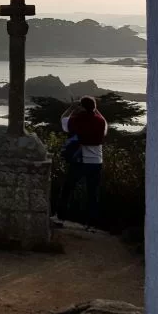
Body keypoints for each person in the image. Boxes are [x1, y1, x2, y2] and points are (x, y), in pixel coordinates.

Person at [54, 95, 108, 230]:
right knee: (92, 193)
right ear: (93, 107)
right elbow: (105, 124)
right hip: (96, 161)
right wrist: (96, 110)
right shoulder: (100, 122)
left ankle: (60, 218)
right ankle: (91, 224)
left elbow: (63, 119)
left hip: (79, 160)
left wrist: (72, 107)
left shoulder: (75, 120)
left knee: (67, 189)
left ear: (81, 107)